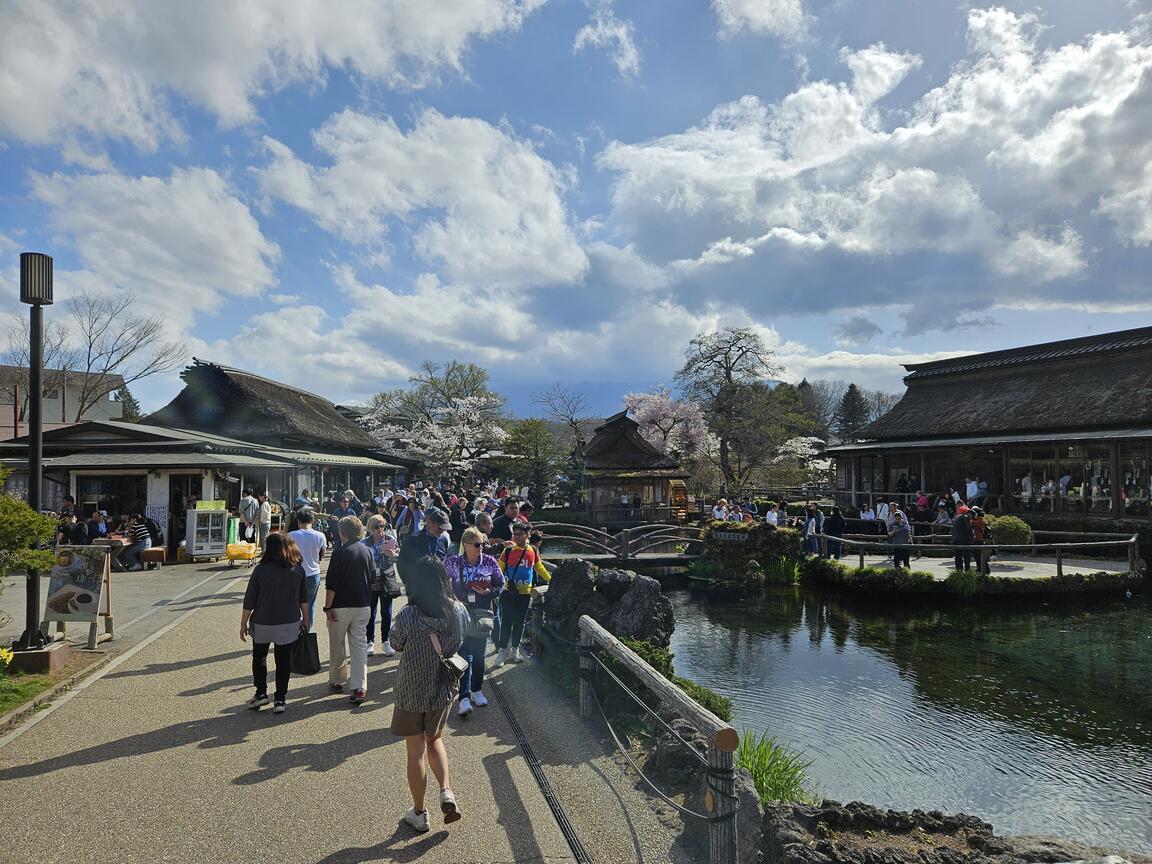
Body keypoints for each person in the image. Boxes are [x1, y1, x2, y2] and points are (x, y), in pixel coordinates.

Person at [389, 555, 469, 833]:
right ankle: (446, 791)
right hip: (441, 688)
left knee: (415, 752)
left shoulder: (409, 615)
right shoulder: (458, 611)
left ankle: (420, 813)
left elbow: (395, 643)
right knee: (435, 740)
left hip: (411, 690)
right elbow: (461, 639)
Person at [240, 533, 308, 713]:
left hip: (262, 622)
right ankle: (280, 699)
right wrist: (305, 620)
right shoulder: (297, 569)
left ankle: (261, 693)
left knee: (259, 657)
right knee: (283, 660)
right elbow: (304, 599)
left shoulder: (261, 570)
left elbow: (250, 599)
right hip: (288, 622)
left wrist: (243, 624)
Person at [445, 526, 504, 717]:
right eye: (477, 545)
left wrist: (489, 592)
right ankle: (463, 697)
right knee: (464, 655)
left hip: (482, 613)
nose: (481, 548)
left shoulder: (489, 561)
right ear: (466, 545)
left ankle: (476, 690)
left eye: (483, 544)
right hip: (460, 613)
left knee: (479, 655)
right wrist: (449, 597)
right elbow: (440, 581)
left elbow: (501, 584)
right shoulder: (454, 562)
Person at [323, 516, 374, 705]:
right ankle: (360, 687)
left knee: (337, 645)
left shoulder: (339, 553)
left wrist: (327, 607)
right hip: (362, 604)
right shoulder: (367, 551)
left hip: (340, 605)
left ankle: (337, 681)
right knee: (359, 646)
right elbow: (373, 576)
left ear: (342, 532)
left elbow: (331, 585)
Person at [493, 522, 551, 667]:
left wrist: (551, 579)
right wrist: (500, 584)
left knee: (520, 622)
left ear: (527, 535)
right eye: (515, 534)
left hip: (525, 594)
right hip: (508, 592)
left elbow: (538, 567)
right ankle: (502, 652)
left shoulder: (532, 550)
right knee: (506, 621)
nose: (517, 537)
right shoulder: (508, 551)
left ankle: (515, 650)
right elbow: (498, 569)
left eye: (520, 534)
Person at [363, 514, 400, 658]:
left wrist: (393, 555)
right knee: (370, 613)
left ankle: (386, 641)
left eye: (382, 526)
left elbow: (399, 557)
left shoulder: (390, 540)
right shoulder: (364, 543)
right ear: (371, 528)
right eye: (377, 527)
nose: (380, 529)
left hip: (386, 581)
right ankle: (369, 642)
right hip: (371, 581)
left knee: (387, 613)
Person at [288, 509, 327, 631]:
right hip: (313, 574)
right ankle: (306, 633)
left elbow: (287, 554)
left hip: (294, 574)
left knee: (293, 605)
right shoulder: (320, 536)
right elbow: (322, 554)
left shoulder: (291, 535)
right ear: (313, 521)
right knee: (310, 606)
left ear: (298, 521)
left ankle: (293, 633)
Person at [969, 507, 990, 576]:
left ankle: (985, 569)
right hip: (977, 540)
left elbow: (971, 523)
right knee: (977, 556)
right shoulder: (980, 520)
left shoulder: (980, 521)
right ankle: (980, 568)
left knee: (979, 556)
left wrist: (971, 518)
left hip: (979, 540)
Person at [951, 506, 973, 572]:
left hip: (955, 539)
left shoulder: (955, 517)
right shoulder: (965, 517)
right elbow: (968, 528)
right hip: (964, 539)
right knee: (966, 556)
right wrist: (971, 536)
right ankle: (967, 571)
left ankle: (959, 571)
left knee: (958, 556)